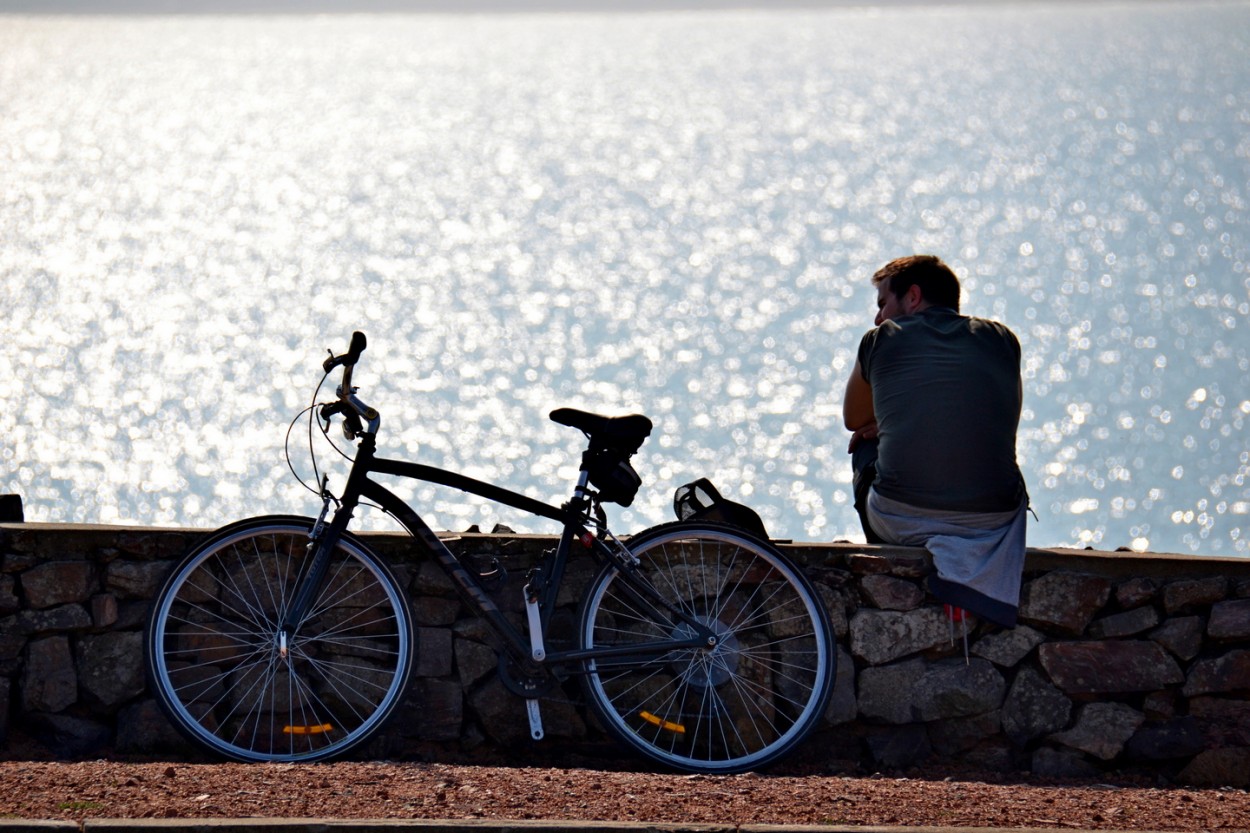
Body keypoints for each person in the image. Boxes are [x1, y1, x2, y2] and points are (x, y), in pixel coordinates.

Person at [843, 255, 1028, 627]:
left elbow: (854, 420)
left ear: (912, 296)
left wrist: (888, 421)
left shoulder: (882, 338)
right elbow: (994, 418)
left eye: (883, 304)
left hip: (903, 514)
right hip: (993, 517)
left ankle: (897, 572)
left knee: (865, 445)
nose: (879, 317)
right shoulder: (1003, 339)